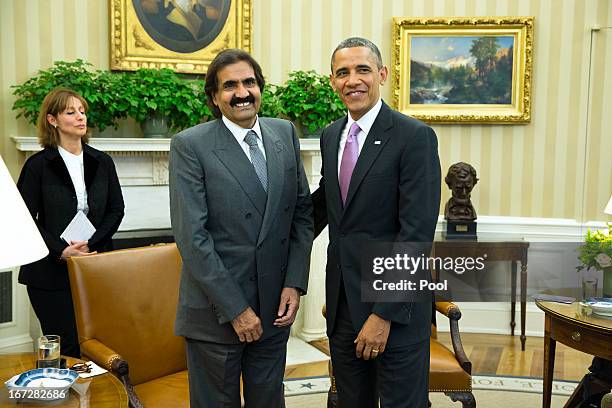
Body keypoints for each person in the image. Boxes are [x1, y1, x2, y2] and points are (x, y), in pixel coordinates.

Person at [169, 48, 313, 408]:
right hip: (216, 316)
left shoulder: (284, 133)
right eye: (230, 85)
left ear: (260, 87)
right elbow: (193, 238)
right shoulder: (191, 145)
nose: (242, 92)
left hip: (273, 311)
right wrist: (236, 310)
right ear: (215, 97)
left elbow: (301, 214)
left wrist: (294, 283)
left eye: (249, 82)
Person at [312, 37, 441, 408]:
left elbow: (415, 234)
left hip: (395, 310)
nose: (353, 80)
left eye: (362, 70)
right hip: (342, 306)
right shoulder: (330, 135)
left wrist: (383, 314)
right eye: (343, 72)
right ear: (333, 81)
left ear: (382, 74)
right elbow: (325, 207)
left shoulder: (414, 137)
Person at [17, 88, 125, 358]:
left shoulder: (103, 161)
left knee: (100, 344)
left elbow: (116, 209)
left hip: (97, 265)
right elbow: (25, 218)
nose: (80, 117)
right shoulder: (37, 165)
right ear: (52, 120)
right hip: (50, 272)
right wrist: (61, 251)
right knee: (66, 347)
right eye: (71, 112)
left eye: (82, 111)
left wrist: (93, 243)